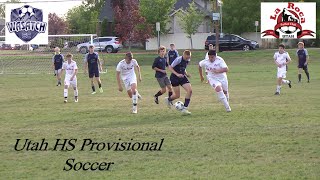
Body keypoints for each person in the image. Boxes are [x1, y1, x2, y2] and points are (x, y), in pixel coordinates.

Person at [165, 50, 192, 115]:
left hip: (182, 77)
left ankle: (184, 109)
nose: (187, 59)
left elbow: (183, 67)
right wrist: (177, 74)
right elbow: (170, 67)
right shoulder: (178, 59)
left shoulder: (188, 60)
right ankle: (168, 99)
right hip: (174, 78)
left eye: (189, 57)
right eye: (186, 58)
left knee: (190, 91)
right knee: (177, 95)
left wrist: (186, 74)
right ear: (183, 55)